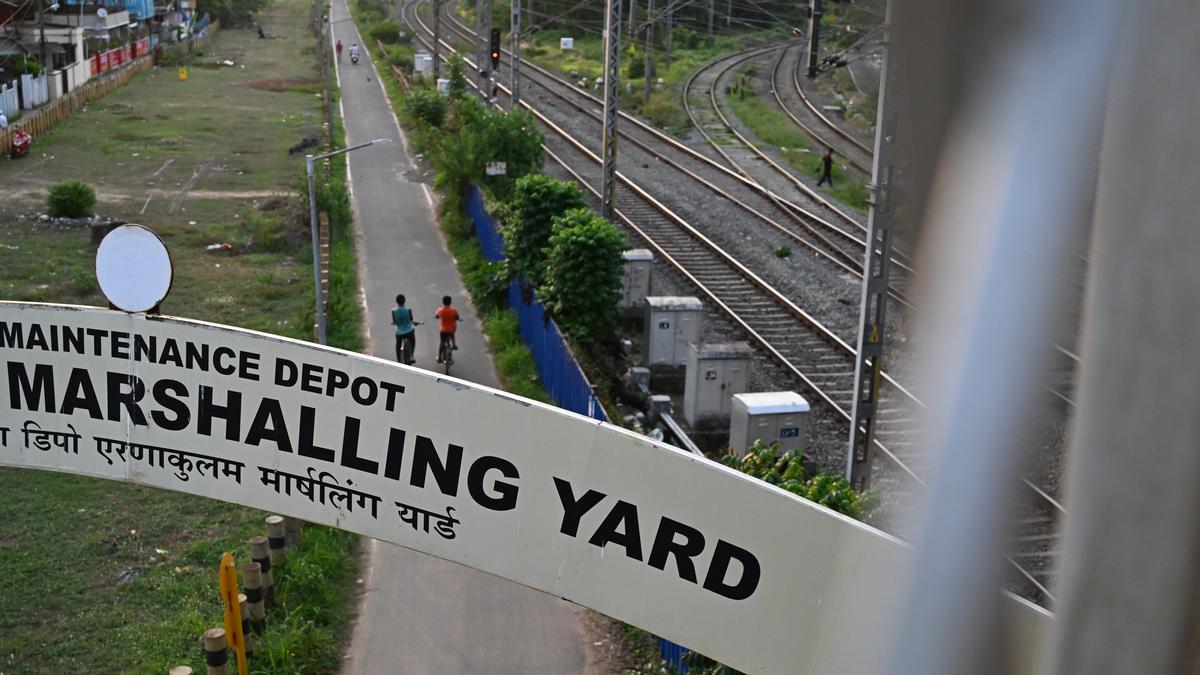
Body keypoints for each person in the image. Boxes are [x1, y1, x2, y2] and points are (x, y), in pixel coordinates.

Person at [391, 294, 419, 365]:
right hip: (409, 331)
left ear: (396, 301)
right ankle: (411, 355)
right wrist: (414, 323)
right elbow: (411, 319)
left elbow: (394, 321)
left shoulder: (394, 311)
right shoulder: (408, 309)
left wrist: (394, 322)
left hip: (399, 332)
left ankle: (398, 359)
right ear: (404, 301)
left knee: (398, 344)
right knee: (412, 340)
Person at [435, 295, 461, 363]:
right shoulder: (454, 310)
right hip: (452, 329)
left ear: (443, 302)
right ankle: (454, 344)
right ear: (450, 302)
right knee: (452, 334)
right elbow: (457, 317)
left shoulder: (440, 310)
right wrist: (457, 319)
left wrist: (437, 317)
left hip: (443, 330)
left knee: (442, 342)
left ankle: (439, 357)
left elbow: (437, 316)